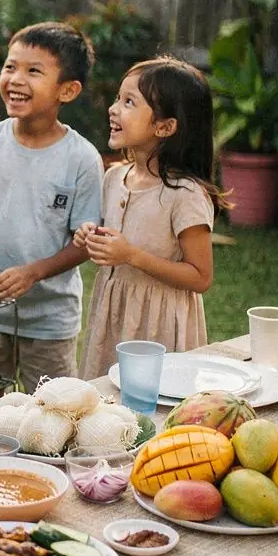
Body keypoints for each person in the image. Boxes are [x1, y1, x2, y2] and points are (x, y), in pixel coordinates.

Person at [0, 22, 103, 392]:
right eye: (10, 66)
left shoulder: (82, 158)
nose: (15, 79)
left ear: (68, 90)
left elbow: (84, 243)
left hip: (50, 322)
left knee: (51, 411)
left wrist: (34, 272)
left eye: (33, 71)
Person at [76, 56, 222, 380]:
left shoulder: (185, 194)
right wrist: (91, 235)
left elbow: (201, 277)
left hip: (158, 330)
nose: (113, 109)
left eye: (129, 102)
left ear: (165, 127)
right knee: (107, 397)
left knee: (155, 400)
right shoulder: (115, 177)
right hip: (113, 317)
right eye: (118, 98)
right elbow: (115, 236)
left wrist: (132, 256)